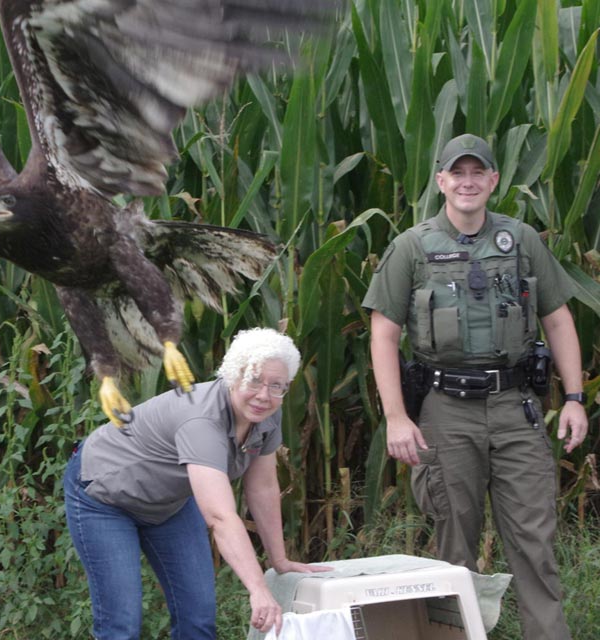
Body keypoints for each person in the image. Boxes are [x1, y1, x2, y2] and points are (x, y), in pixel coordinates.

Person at [362, 133, 589, 640]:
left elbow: (557, 318)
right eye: (457, 173)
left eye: (477, 172)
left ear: (493, 180)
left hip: (515, 408)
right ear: (441, 181)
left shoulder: (521, 240)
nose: (468, 182)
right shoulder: (412, 247)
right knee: (454, 551)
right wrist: (396, 417)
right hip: (445, 412)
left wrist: (574, 398)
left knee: (534, 545)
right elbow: (383, 333)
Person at [64, 327, 329, 639]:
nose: (263, 395)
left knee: (198, 618)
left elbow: (263, 487)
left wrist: (279, 560)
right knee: (122, 625)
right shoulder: (202, 421)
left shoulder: (265, 415)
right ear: (233, 376)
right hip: (105, 496)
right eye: (254, 380)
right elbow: (220, 516)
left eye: (276, 386)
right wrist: (258, 589)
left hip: (169, 502)